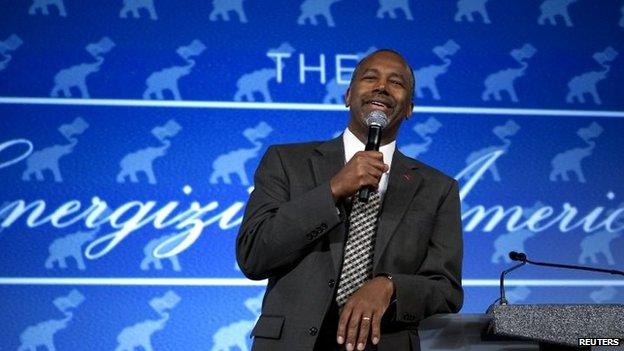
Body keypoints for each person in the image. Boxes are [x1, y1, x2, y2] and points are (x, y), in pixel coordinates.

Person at [236, 49, 463, 351]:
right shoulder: (286, 161)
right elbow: (253, 254)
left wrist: (390, 286)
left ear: (409, 107)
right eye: (370, 78)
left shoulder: (438, 188)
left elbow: (446, 289)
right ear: (347, 95)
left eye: (396, 82)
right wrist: (332, 190)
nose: (381, 86)